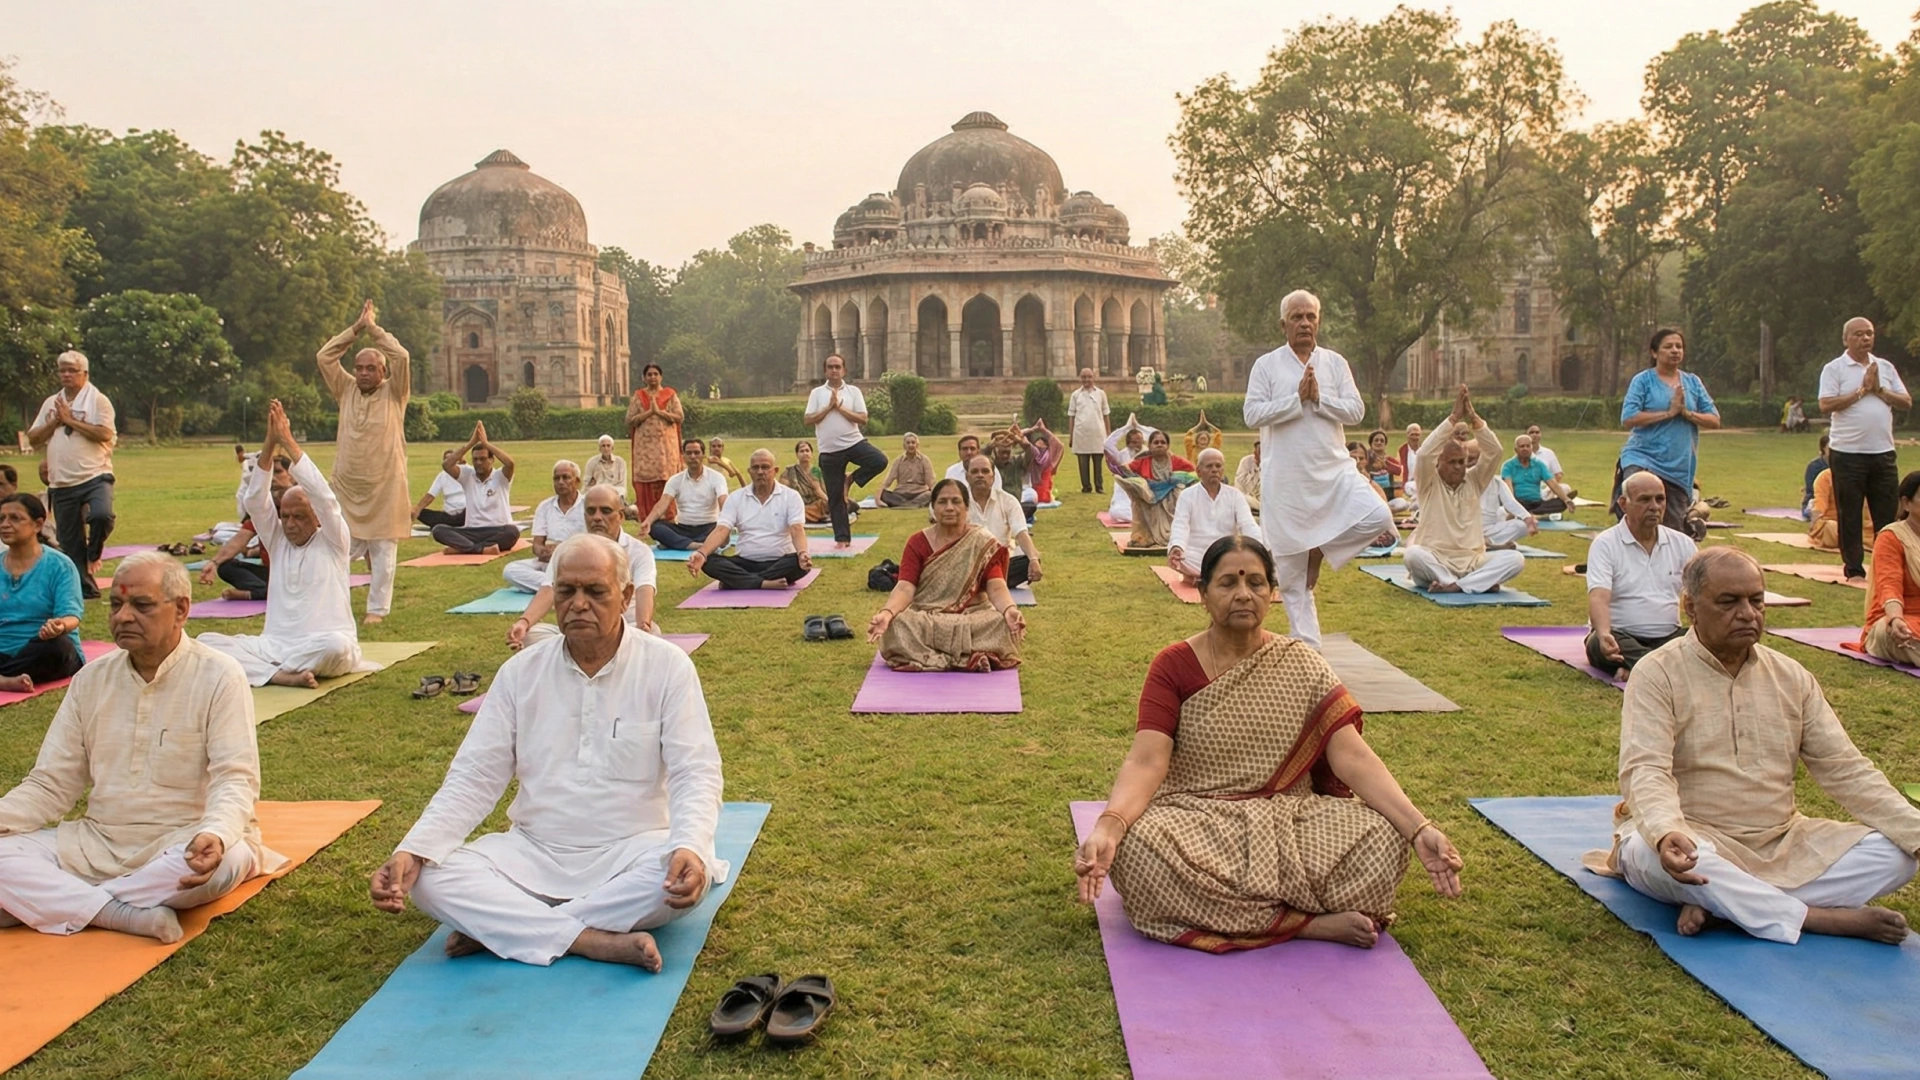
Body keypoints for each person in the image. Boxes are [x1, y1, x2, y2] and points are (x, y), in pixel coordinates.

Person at [1074, 535, 1463, 951]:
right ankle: (1308, 924)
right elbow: (1146, 762)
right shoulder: (1173, 666)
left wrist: (1418, 828)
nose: (1244, 594)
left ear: (1272, 592)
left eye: (1256, 583)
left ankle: (1244, 916)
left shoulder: (1302, 663)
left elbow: (1352, 756)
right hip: (1198, 818)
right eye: (1228, 583)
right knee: (1139, 850)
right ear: (1203, 594)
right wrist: (1110, 827)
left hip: (1292, 817)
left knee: (1383, 837)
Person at [371, 534, 724, 969]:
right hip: (533, 851)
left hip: (632, 851)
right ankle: (589, 939)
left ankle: (507, 928)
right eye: (566, 591)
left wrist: (690, 845)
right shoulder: (520, 673)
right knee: (429, 878)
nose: (578, 604)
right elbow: (474, 777)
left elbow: (695, 771)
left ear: (626, 596)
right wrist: (415, 847)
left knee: (676, 877)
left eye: (595, 592)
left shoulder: (667, 666)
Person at [1598, 547, 1919, 945]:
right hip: (1693, 837)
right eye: (1729, 602)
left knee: (1897, 853)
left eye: (1756, 601)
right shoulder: (1657, 672)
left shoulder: (1791, 676)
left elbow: (1846, 769)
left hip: (1781, 841)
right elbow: (1645, 769)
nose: (1748, 614)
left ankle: (1727, 905)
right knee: (1647, 854)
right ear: (1690, 607)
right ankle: (1816, 918)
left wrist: (1915, 831)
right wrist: (1665, 832)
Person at [0, 552, 281, 943]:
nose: (123, 617)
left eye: (141, 605)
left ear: (181, 609)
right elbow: (51, 783)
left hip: (186, 841)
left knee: (221, 863)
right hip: (97, 842)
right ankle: (122, 913)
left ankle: (48, 901)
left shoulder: (219, 675)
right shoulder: (91, 680)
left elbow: (235, 778)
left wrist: (217, 832)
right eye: (116, 604)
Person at [1243, 290, 1394, 648]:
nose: (1305, 323)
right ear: (1283, 324)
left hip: (1333, 472)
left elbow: (1356, 411)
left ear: (1319, 321)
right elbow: (1252, 414)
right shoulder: (1266, 365)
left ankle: (1319, 549)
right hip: (1286, 480)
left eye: (1311, 316)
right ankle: (1309, 651)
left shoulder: (1335, 363)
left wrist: (1320, 399)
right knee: (1292, 581)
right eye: (1297, 317)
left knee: (1378, 517)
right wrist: (1296, 399)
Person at [198, 401, 372, 689]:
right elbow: (255, 501)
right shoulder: (278, 540)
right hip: (275, 645)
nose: (290, 524)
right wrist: (269, 443)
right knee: (206, 642)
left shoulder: (334, 540)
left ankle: (264, 670)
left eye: (299, 517)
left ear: (316, 517)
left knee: (337, 648)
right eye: (285, 516)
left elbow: (323, 496)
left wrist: (287, 441)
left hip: (323, 643)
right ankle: (280, 675)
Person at [314, 300, 411, 625]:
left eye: (371, 368)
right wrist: (356, 329)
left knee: (383, 551)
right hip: (347, 487)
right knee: (338, 548)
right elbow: (324, 357)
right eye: (359, 368)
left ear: (383, 372)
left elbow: (402, 357)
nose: (364, 373)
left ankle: (376, 610)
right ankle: (334, 604)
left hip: (385, 487)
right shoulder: (346, 389)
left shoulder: (395, 392)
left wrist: (374, 330)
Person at [868, 478, 1026, 672]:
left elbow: (996, 586)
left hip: (972, 617)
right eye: (942, 502)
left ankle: (931, 656)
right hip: (928, 618)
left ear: (966, 507)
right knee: (897, 624)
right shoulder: (918, 542)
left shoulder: (981, 541)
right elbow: (905, 587)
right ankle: (969, 656)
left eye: (956, 501)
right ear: (933, 508)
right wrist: (887, 613)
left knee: (1000, 623)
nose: (949, 507)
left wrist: (1009, 610)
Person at [1405, 387, 1524, 595]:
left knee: (1516, 559)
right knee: (1412, 555)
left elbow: (1494, 451)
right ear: (1439, 462)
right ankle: (1470, 583)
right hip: (1435, 561)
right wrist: (1453, 418)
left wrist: (1474, 418)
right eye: (1452, 462)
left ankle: (1457, 585)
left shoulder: (1474, 480)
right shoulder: (1428, 483)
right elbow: (1424, 454)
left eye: (1461, 462)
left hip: (1473, 561)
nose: (1458, 467)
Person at [510, 485, 658, 649]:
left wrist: (643, 624)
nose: (597, 517)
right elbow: (548, 589)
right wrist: (524, 622)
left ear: (621, 516)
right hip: (577, 627)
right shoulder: (567, 550)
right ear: (584, 516)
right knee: (529, 635)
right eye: (591, 511)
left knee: (651, 633)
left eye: (606, 511)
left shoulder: (639, 551)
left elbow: (645, 589)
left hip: (625, 628)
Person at [1819, 317, 1911, 581]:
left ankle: (1886, 567)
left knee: (1887, 514)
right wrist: (1861, 391)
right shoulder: (1834, 368)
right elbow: (1825, 404)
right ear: (1846, 339)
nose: (1865, 338)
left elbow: (1906, 401)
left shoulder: (1884, 366)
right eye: (1858, 334)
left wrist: (1880, 390)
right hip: (1848, 453)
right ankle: (1854, 568)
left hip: (1882, 452)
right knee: (1850, 513)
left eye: (1869, 333)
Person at [1585, 472, 1697, 675]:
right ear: (1623, 504)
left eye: (1660, 499)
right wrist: (1603, 634)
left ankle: (1643, 671)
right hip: (1621, 636)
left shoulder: (1683, 544)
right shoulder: (1605, 544)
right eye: (1644, 500)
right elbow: (1598, 597)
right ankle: (1666, 670)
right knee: (1598, 644)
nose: (1654, 506)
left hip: (1669, 638)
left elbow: (1703, 593)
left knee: (1707, 640)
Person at [26, 350, 116, 598]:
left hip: (95, 475)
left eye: (72, 370)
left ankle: (94, 551)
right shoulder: (51, 403)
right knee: (70, 542)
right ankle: (86, 590)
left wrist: (70, 420)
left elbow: (104, 433)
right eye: (62, 370)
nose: (66, 375)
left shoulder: (98, 401)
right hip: (61, 482)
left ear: (84, 374)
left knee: (102, 515)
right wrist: (55, 421)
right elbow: (34, 438)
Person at [1618, 328, 1720, 535]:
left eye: (1679, 347)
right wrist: (1668, 413)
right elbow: (1628, 418)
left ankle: (1690, 521)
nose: (1675, 350)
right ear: (1654, 352)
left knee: (1672, 532)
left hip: (1678, 467)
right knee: (1637, 513)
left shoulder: (1692, 382)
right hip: (1642, 458)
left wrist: (1686, 413)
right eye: (1668, 347)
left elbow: (1714, 420)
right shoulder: (1643, 380)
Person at [687, 450, 813, 591]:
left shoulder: (791, 496)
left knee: (799, 564)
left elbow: (797, 529)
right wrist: (702, 553)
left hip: (779, 561)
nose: (760, 472)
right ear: (749, 471)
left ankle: (738, 581)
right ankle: (762, 583)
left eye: (765, 467)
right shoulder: (736, 497)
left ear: (775, 471)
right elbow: (722, 529)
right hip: (745, 562)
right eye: (755, 468)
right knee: (708, 561)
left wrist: (802, 553)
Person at [0, 494, 84, 694]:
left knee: (58, 647)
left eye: (15, 518)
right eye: (1, 518)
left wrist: (58, 626)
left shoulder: (60, 565)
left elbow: (71, 616)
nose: (5, 524)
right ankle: (5, 681)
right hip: (3, 649)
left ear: (38, 525)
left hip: (42, 648)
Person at [804, 353, 887, 549]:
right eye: (830, 367)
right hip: (829, 451)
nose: (834, 370)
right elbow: (808, 420)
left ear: (844, 370)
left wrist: (840, 408)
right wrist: (828, 407)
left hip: (853, 443)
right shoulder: (817, 393)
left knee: (879, 460)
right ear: (825, 371)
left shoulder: (853, 391)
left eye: (837, 367)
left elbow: (863, 418)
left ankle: (851, 479)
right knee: (835, 497)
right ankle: (842, 539)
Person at [199, 456, 294, 602]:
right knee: (226, 567)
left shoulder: (306, 503)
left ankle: (258, 593)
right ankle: (266, 591)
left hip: (300, 571)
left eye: (277, 472)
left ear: (292, 475)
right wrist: (214, 562)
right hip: (273, 573)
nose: (272, 478)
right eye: (269, 474)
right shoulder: (264, 508)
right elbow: (239, 540)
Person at [1167, 449, 1258, 582]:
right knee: (1179, 557)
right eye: (1209, 466)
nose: (1214, 470)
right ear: (1199, 471)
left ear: (1223, 470)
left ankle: (1202, 577)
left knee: (1245, 556)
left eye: (1218, 466)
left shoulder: (1235, 495)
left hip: (1226, 553)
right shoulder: (1187, 495)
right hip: (1195, 555)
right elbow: (1180, 525)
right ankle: (1220, 577)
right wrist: (1177, 546)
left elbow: (1248, 524)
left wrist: (1259, 547)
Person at [430, 422, 521, 555]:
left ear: (491, 460)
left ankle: (464, 548)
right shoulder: (468, 475)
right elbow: (447, 465)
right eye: (475, 459)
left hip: (497, 530)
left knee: (512, 532)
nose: (478, 463)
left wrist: (486, 444)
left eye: (483, 459)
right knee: (438, 530)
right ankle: (480, 549)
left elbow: (510, 463)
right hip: (472, 531)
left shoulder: (500, 476)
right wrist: (471, 443)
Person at [1860, 471, 1920, 666]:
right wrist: (1895, 619)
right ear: (1906, 503)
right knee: (1900, 634)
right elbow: (1889, 585)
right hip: (1898, 618)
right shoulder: (1891, 538)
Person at [503, 460, 585, 593]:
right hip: (550, 562)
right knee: (511, 570)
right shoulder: (545, 507)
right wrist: (542, 552)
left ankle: (555, 586)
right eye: (556, 478)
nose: (560, 482)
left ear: (577, 481)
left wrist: (563, 552)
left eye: (566, 477)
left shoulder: (588, 506)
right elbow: (537, 545)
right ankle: (565, 586)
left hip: (579, 561)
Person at [965, 454, 1043, 589]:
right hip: (967, 563)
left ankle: (982, 583)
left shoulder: (1008, 501)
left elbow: (1021, 533)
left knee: (1028, 562)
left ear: (993, 477)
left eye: (985, 471)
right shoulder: (959, 501)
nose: (980, 475)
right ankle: (991, 583)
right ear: (967, 477)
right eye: (975, 471)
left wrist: (1033, 559)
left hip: (999, 563)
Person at [642, 438, 728, 550]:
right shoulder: (675, 480)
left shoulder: (716, 477)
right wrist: (648, 521)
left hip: (709, 527)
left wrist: (726, 525)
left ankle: (677, 543)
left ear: (703, 455)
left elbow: (724, 502)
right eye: (689, 453)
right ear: (683, 456)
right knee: (655, 527)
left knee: (720, 530)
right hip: (683, 529)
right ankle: (692, 545)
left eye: (696, 453)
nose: (693, 456)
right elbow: (662, 504)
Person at [1115, 429, 1194, 549]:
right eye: (1156, 442)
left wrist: (1178, 480)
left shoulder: (1175, 460)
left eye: (1163, 442)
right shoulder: (1143, 461)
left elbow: (1193, 471)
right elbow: (1124, 470)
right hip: (1149, 498)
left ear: (1168, 446)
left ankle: (1172, 534)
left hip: (1171, 499)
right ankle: (1148, 536)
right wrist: (1138, 484)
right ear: (1150, 446)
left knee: (1178, 494)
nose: (1159, 445)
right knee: (1140, 501)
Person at [625, 363, 684, 521]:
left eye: (655, 374)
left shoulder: (670, 395)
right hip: (645, 451)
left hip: (667, 450)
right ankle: (648, 519)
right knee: (647, 482)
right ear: (644, 378)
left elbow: (679, 417)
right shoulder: (639, 396)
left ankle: (669, 517)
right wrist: (649, 413)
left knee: (668, 479)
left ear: (661, 377)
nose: (652, 377)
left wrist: (660, 412)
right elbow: (629, 420)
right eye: (649, 374)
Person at [1469, 444, 1535, 549]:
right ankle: (1487, 543)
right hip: (1466, 530)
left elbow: (1510, 502)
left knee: (1521, 526)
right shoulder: (1461, 480)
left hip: (1489, 529)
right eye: (1471, 459)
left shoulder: (1497, 482)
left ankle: (1489, 543)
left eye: (1480, 459)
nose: (1476, 463)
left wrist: (1527, 518)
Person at [1501, 435, 1571, 517]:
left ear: (1532, 448)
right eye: (1522, 446)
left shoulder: (1539, 465)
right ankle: (1533, 515)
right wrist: (1513, 505)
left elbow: (1553, 484)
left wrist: (1566, 500)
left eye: (1528, 446)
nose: (1525, 449)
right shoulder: (1508, 466)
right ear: (1516, 450)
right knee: (1510, 506)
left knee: (1561, 503)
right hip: (1519, 502)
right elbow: (1508, 490)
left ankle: (1529, 514)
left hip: (1537, 503)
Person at [1806, 467, 1873, 553]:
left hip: (1859, 528)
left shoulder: (1865, 477)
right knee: (1830, 527)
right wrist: (1814, 525)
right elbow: (1819, 506)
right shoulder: (1826, 477)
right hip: (1835, 526)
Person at [1067, 368, 1111, 494]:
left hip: (1098, 433)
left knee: (1098, 462)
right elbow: (1072, 416)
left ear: (1094, 378)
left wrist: (1109, 434)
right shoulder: (1076, 395)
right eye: (1084, 377)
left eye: (1089, 377)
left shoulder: (1101, 394)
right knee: (1083, 462)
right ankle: (1086, 486)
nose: (1087, 380)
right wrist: (1071, 436)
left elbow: (1106, 414)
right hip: (1081, 433)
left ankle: (1099, 486)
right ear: (1080, 378)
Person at [988, 427, 1040, 525]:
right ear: (995, 451)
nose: (1005, 456)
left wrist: (1022, 443)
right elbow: (978, 457)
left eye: (1007, 452)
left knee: (1031, 506)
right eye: (1002, 452)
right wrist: (989, 447)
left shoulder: (1017, 462)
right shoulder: (989, 464)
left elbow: (1033, 453)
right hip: (995, 505)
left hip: (1014, 503)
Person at [413, 449, 469, 530]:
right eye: (446, 459)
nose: (448, 462)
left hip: (467, 513)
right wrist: (417, 509)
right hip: (449, 515)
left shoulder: (468, 471)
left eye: (451, 458)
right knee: (421, 513)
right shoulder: (442, 476)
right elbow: (430, 495)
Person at [877, 431, 934, 508]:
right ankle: (911, 504)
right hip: (901, 494)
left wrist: (935, 495)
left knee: (930, 494)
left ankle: (905, 505)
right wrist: (878, 499)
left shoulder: (925, 460)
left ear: (917, 445)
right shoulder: (898, 461)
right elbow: (887, 482)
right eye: (908, 443)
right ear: (904, 445)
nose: (911, 445)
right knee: (884, 494)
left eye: (913, 443)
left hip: (920, 493)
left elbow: (931, 482)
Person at [781, 440, 830, 523]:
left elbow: (821, 491)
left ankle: (814, 515)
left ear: (811, 454)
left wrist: (830, 502)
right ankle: (818, 516)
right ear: (797, 454)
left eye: (807, 451)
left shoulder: (815, 471)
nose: (805, 453)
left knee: (826, 503)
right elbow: (783, 493)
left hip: (816, 504)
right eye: (802, 451)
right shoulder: (789, 472)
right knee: (794, 512)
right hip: (798, 505)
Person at [1021, 420, 1065, 505]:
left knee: (1044, 498)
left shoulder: (1049, 454)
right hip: (1032, 480)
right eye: (1038, 442)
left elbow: (1060, 445)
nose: (1040, 443)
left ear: (1047, 446)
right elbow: (1021, 436)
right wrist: (1032, 429)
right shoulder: (1032, 451)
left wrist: (1044, 430)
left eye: (1043, 443)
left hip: (1045, 476)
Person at [1522, 424, 1569, 494]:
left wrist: (1550, 486)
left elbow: (1558, 474)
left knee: (1566, 488)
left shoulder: (1548, 453)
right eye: (1531, 432)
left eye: (1537, 432)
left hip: (1547, 487)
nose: (1535, 435)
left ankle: (1548, 496)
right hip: (1528, 488)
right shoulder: (1522, 454)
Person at [1364, 429, 1406, 507]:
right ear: (1371, 443)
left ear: (1385, 444)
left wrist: (1385, 463)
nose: (1379, 442)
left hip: (1388, 499)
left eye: (1382, 441)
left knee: (1403, 504)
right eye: (1376, 440)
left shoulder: (1389, 460)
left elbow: (1399, 471)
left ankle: (1385, 510)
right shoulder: (1365, 460)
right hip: (1371, 498)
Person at [1801, 434, 1830, 521]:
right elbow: (1810, 488)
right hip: (1816, 498)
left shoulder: (1841, 465)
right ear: (1823, 448)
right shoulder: (1814, 466)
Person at [1232, 441, 1261, 514]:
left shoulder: (1272, 465)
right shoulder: (1246, 461)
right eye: (1257, 451)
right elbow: (1239, 485)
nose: (1257, 454)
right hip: (1246, 498)